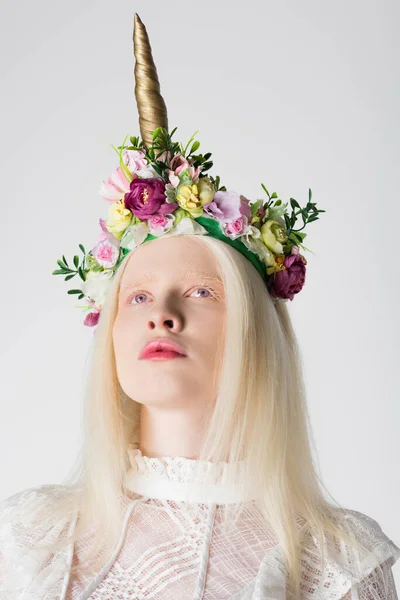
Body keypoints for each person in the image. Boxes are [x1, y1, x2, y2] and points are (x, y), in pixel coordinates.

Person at [0, 13, 398, 600]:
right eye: (137, 296)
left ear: (254, 328)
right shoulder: (30, 541)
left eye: (199, 292)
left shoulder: (338, 561)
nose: (161, 314)